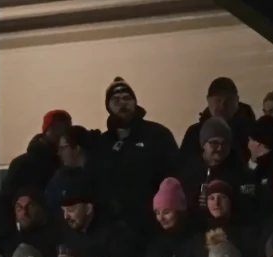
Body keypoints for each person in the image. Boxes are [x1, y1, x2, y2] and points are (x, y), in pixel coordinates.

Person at [97, 77, 179, 233]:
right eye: (115, 99)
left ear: (135, 102)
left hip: (154, 223)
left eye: (127, 98)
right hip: (115, 227)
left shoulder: (158, 134)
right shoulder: (102, 142)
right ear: (108, 106)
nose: (122, 103)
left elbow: (174, 176)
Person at [56, 176, 139, 257]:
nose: (66, 216)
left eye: (71, 210)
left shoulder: (115, 232)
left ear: (88, 209)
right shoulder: (68, 230)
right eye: (63, 211)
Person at [0, 110, 71, 226]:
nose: (61, 132)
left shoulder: (67, 163)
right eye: (56, 127)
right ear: (46, 130)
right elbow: (5, 201)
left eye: (65, 128)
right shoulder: (23, 164)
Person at [178, 117, 255, 214]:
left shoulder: (241, 171)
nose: (219, 148)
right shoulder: (187, 170)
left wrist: (227, 200)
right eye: (214, 143)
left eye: (225, 143)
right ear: (203, 144)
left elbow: (250, 200)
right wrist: (194, 199)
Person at [142, 178, 202, 257]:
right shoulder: (156, 243)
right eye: (157, 213)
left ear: (179, 212)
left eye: (166, 212)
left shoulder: (196, 238)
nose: (161, 218)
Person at [182, 77, 257, 162]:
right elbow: (183, 166)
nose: (222, 106)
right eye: (217, 100)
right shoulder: (194, 133)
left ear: (237, 99)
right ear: (208, 100)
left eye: (228, 100)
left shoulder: (254, 135)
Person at [44, 126, 100, 210]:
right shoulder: (60, 177)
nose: (59, 153)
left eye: (63, 148)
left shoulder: (100, 175)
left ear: (77, 149)